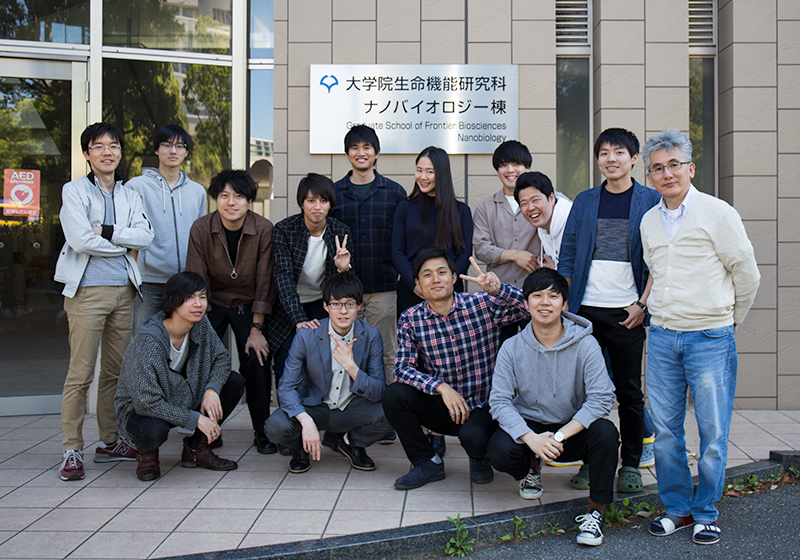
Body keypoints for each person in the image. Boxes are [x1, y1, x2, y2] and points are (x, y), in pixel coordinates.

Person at [640, 129, 760, 546]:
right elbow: (656, 272)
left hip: (709, 337)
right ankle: (677, 508)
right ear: (650, 177)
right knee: (666, 431)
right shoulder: (649, 221)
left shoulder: (718, 213)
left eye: (674, 164)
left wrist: (731, 319)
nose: (667, 173)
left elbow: (747, 273)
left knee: (712, 432)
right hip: (662, 337)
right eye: (658, 168)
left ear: (690, 168)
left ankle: (706, 511)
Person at [557, 127, 661, 493]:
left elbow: (660, 258)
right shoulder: (585, 201)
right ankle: (591, 460)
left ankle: (631, 463)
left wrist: (642, 304)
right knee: (586, 391)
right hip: (585, 312)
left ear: (633, 159)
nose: (611, 159)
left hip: (627, 313)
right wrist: (567, 305)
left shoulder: (650, 199)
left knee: (628, 391)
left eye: (619, 152)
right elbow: (568, 253)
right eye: (604, 153)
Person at [487, 267, 618, 546]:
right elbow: (499, 401)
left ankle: (595, 512)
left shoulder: (586, 344)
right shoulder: (512, 347)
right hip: (531, 428)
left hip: (571, 428)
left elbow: (602, 397)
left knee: (606, 433)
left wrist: (559, 436)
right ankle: (531, 468)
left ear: (564, 304)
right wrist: (531, 438)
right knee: (498, 449)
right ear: (526, 303)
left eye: (553, 296)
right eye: (537, 296)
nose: (545, 302)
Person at [54, 122, 154, 481]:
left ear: (120, 152)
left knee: (114, 373)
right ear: (87, 154)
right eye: (98, 146)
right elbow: (81, 240)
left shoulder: (130, 195)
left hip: (124, 291)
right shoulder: (74, 190)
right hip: (87, 292)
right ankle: (71, 449)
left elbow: (146, 236)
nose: (107, 152)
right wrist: (122, 246)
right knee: (80, 374)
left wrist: (109, 232)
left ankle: (110, 441)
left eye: (113, 146)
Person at [382, 248, 529, 490]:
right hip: (445, 406)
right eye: (427, 275)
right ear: (418, 284)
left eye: (442, 272)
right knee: (394, 395)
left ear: (453, 277)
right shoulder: (411, 318)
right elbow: (401, 369)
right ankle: (426, 462)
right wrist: (440, 387)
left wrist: (499, 290)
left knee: (474, 438)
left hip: (483, 405)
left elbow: (531, 308)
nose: (435, 279)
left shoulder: (482, 304)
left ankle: (478, 457)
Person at [114, 272, 244, 481]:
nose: (198, 304)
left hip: (182, 396)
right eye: (189, 298)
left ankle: (196, 448)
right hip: (141, 411)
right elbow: (146, 403)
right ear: (173, 301)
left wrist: (212, 389)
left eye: (202, 297)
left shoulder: (201, 324)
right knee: (153, 430)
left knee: (233, 382)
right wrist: (196, 419)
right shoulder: (149, 341)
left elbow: (221, 358)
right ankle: (147, 456)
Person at [185, 169, 276, 454]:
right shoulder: (201, 228)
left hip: (249, 304)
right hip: (210, 303)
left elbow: (265, 282)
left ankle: (262, 430)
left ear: (249, 201)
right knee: (202, 360)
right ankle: (206, 428)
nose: (231, 202)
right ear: (216, 199)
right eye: (224, 195)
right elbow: (196, 281)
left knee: (258, 361)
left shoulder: (264, 229)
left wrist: (257, 329)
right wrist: (201, 327)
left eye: (238, 196)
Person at [265, 271, 392, 473]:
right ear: (325, 306)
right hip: (314, 406)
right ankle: (301, 448)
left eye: (350, 304)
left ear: (359, 306)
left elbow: (378, 391)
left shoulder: (370, 335)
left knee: (394, 412)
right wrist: (305, 420)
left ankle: (350, 443)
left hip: (351, 408)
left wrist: (352, 368)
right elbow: (286, 387)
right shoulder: (306, 335)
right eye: (336, 304)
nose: (343, 311)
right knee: (275, 427)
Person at [331, 126, 406, 446]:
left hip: (384, 286)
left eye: (367, 147)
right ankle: (348, 415)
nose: (361, 153)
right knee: (347, 354)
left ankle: (387, 418)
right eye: (354, 147)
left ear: (377, 153)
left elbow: (402, 240)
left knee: (388, 353)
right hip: (345, 292)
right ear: (347, 153)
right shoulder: (334, 193)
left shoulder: (394, 192)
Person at [267, 173, 352, 394]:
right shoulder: (284, 230)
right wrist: (299, 320)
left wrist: (342, 269)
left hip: (321, 303)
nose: (317, 207)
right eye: (311, 200)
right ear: (301, 203)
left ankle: (319, 409)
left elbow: (345, 287)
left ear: (330, 204)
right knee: (285, 360)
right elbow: (283, 277)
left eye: (323, 201)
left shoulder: (340, 232)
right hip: (287, 305)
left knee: (323, 361)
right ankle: (289, 411)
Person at [126, 124, 207, 336]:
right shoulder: (136, 186)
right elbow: (128, 235)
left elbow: (201, 236)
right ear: (156, 149)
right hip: (149, 282)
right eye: (166, 145)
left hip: (185, 283)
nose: (173, 151)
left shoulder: (197, 191)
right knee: (145, 339)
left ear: (186, 152)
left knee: (183, 341)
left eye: (180, 146)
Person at [472, 140, 541, 344]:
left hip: (535, 293)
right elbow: (481, 248)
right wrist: (514, 255)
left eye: (516, 164)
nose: (510, 170)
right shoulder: (485, 207)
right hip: (498, 294)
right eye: (503, 165)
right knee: (499, 352)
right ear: (497, 171)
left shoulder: (545, 202)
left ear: (527, 168)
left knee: (537, 349)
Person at [392, 146, 473, 314]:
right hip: (412, 291)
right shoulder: (405, 208)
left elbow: (465, 253)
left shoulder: (461, 211)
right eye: (419, 170)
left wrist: (448, 284)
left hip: (449, 293)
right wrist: (415, 284)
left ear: (442, 174)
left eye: (430, 172)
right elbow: (397, 250)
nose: (423, 177)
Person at [515, 171, 572, 268]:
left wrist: (554, 270)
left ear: (551, 198)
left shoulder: (573, 223)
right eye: (524, 203)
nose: (530, 208)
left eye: (535, 200)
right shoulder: (542, 227)